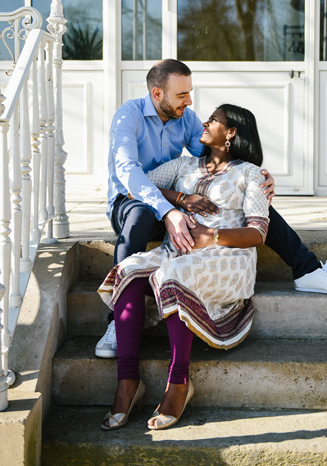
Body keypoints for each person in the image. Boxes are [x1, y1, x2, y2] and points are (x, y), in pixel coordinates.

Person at [95, 59, 327, 359]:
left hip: (176, 203)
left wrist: (257, 178)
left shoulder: (186, 118)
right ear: (157, 94)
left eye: (189, 92)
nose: (189, 101)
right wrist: (176, 204)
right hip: (132, 202)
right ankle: (117, 321)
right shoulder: (127, 118)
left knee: (250, 204)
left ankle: (307, 269)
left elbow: (217, 153)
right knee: (140, 217)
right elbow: (129, 176)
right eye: (182, 95)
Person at [97, 103, 267, 431]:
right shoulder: (185, 165)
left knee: (172, 274)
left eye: (214, 120)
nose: (204, 121)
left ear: (231, 132)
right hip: (175, 251)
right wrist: (179, 198)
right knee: (130, 268)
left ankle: (179, 384)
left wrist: (212, 235)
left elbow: (258, 232)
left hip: (227, 256)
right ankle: (128, 381)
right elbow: (136, 184)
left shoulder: (249, 173)